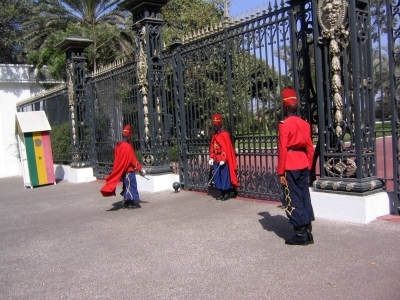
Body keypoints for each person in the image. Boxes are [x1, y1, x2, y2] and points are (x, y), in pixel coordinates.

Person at [278, 88, 315, 245]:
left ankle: (301, 234)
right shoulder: (304, 124)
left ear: (285, 107)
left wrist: (281, 172)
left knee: (293, 197)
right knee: (304, 194)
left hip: (290, 163)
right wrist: (309, 165)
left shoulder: (284, 124)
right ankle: (307, 230)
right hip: (302, 162)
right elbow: (310, 147)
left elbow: (282, 149)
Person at [100, 125, 145, 209]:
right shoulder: (127, 146)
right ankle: (130, 202)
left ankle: (127, 201)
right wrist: (140, 168)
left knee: (126, 185)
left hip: (124, 170)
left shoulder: (118, 146)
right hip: (129, 169)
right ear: (128, 136)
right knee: (130, 185)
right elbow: (132, 159)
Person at [208, 113, 238, 201]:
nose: (214, 127)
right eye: (214, 125)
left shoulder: (224, 134)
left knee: (224, 176)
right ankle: (221, 192)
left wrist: (224, 159)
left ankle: (227, 193)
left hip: (222, 159)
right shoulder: (214, 135)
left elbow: (225, 148)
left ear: (220, 125)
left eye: (216, 125)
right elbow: (213, 147)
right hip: (216, 159)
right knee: (217, 176)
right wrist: (211, 157)